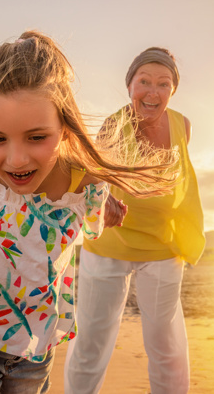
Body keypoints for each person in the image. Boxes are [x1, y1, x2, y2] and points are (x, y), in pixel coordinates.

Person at [0, 32, 178, 394]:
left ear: (64, 129)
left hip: (34, 352)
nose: (16, 159)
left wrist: (108, 209)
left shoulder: (81, 183)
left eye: (37, 137)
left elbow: (96, 220)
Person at [64, 47, 205, 394]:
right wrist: (106, 198)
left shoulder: (182, 126)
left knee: (166, 344)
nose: (152, 92)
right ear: (130, 86)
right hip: (111, 243)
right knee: (92, 341)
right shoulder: (114, 124)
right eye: (144, 81)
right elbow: (95, 176)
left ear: (173, 90)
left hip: (162, 245)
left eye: (163, 83)